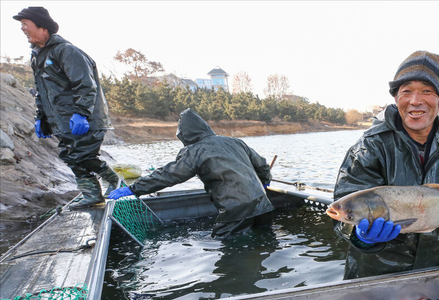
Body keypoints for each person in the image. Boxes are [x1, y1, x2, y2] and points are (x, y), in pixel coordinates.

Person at [333, 50, 439, 279]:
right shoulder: (368, 148)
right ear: (396, 98)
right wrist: (360, 235)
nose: (415, 100)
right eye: (406, 91)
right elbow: (342, 215)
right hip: (378, 273)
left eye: (427, 91)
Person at [109, 109, 275, 238]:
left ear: (185, 134)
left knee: (225, 243)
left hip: (236, 209)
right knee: (265, 239)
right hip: (263, 203)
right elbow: (261, 164)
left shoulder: (195, 151)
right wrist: (265, 181)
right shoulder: (234, 141)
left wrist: (134, 188)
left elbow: (168, 175)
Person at [13, 7, 120, 208]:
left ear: (43, 28)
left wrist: (81, 113)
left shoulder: (67, 51)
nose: (22, 29)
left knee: (82, 156)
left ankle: (114, 180)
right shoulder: (38, 57)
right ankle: (92, 194)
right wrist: (41, 118)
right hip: (61, 122)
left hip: (85, 119)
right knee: (70, 157)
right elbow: (41, 91)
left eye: (26, 24)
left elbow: (86, 85)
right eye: (21, 25)